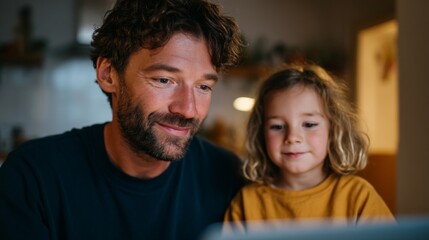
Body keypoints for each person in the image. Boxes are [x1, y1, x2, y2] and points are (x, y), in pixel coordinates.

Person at [0, 0, 244, 239]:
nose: (188, 110)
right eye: (163, 80)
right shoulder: (33, 177)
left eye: (203, 86)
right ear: (109, 75)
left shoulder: (227, 176)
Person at [223, 63, 395, 232]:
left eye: (309, 124)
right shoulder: (246, 202)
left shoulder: (358, 195)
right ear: (260, 133)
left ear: (334, 129)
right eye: (277, 126)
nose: (292, 138)